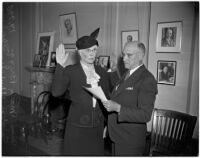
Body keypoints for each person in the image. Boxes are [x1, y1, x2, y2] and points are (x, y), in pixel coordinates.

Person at [51, 36, 110, 156]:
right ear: (79, 52)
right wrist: (60, 66)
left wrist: (107, 124)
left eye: (94, 50)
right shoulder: (70, 71)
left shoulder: (102, 72)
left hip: (97, 127)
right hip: (77, 127)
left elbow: (106, 100)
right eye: (87, 50)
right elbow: (56, 92)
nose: (91, 54)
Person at [102, 41, 158, 156]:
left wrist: (118, 108)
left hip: (130, 140)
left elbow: (145, 114)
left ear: (141, 56)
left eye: (129, 55)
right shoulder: (128, 73)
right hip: (116, 135)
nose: (124, 58)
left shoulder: (147, 79)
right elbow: (119, 94)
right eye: (123, 54)